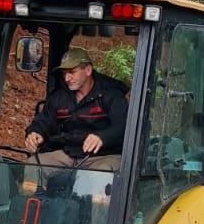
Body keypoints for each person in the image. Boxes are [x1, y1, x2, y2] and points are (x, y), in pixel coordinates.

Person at [24, 47, 128, 175]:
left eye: (72, 72)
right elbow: (44, 120)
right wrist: (35, 132)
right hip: (69, 153)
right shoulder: (60, 97)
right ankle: (35, 195)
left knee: (101, 174)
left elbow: (123, 127)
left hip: (104, 155)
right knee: (33, 165)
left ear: (88, 70)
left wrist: (103, 137)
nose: (67, 78)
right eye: (64, 73)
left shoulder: (111, 95)